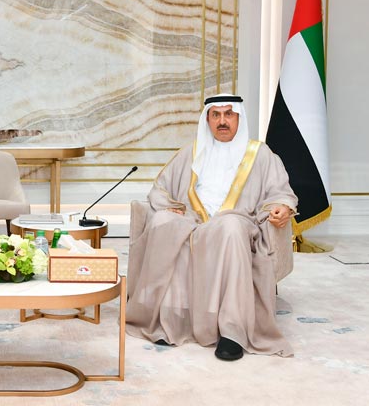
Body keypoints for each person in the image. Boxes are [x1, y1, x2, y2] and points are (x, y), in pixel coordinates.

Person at [126, 94, 297, 361]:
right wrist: (169, 206)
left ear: (239, 118)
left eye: (228, 114)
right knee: (164, 223)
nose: (222, 121)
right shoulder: (192, 152)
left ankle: (232, 332)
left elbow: (280, 191)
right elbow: (160, 188)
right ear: (207, 119)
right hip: (193, 220)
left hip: (238, 220)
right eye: (215, 115)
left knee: (230, 228)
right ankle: (169, 322)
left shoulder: (260, 155)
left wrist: (282, 206)